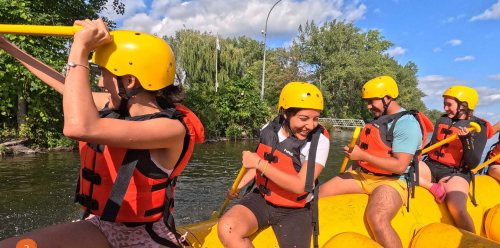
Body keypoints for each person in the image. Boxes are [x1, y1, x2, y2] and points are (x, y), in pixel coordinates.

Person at [0, 19, 204, 248]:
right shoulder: (115, 106)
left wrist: (80, 48)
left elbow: (78, 128)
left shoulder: (170, 128)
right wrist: (6, 45)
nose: (99, 82)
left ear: (129, 81)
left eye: (104, 73)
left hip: (145, 236)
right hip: (99, 224)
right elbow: (67, 87)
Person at [319, 76, 433, 248]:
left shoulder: (406, 124)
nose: (368, 106)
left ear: (387, 98)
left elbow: (400, 165)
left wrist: (362, 156)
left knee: (378, 218)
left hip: (392, 181)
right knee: (317, 194)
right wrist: (350, 167)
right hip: (363, 175)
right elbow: (366, 155)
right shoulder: (379, 120)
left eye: (372, 101)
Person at [217, 82, 330, 248]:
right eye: (303, 119)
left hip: (295, 209)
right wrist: (238, 186)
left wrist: (258, 163)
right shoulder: (269, 130)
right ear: (286, 113)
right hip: (261, 199)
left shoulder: (318, 141)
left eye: (316, 119)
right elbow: (259, 163)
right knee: (227, 229)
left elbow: (301, 186)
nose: (311, 125)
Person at [418, 85, 493, 233]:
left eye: (449, 105)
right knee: (403, 171)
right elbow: (433, 145)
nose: (445, 108)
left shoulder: (478, 127)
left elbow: (472, 163)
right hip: (431, 165)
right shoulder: (443, 120)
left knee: (457, 209)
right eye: (444, 104)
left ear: (464, 106)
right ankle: (432, 187)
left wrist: (466, 140)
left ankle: (472, 241)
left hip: (455, 173)